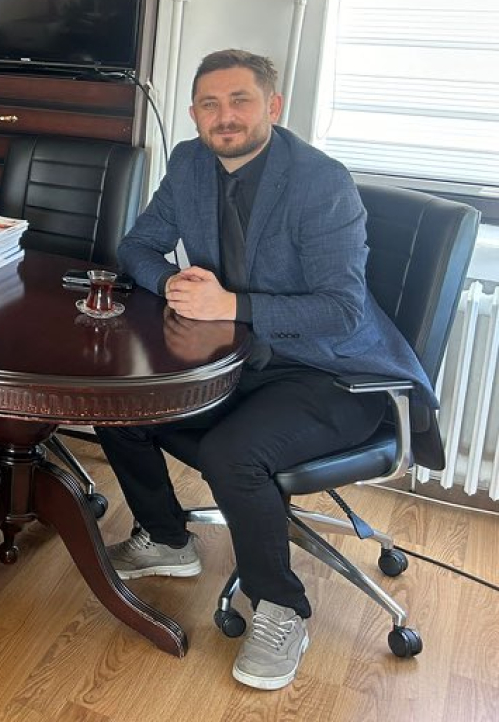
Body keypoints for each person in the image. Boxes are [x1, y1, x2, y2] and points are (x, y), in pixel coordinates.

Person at [96, 49, 436, 692]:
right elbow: (137, 246)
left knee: (232, 454)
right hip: (238, 359)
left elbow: (339, 310)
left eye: (240, 100)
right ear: (194, 114)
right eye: (209, 103)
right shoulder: (190, 163)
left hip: (333, 370)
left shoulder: (320, 182)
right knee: (117, 403)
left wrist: (231, 305)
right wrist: (170, 283)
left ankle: (282, 606)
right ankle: (168, 539)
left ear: (273, 107)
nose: (224, 116)